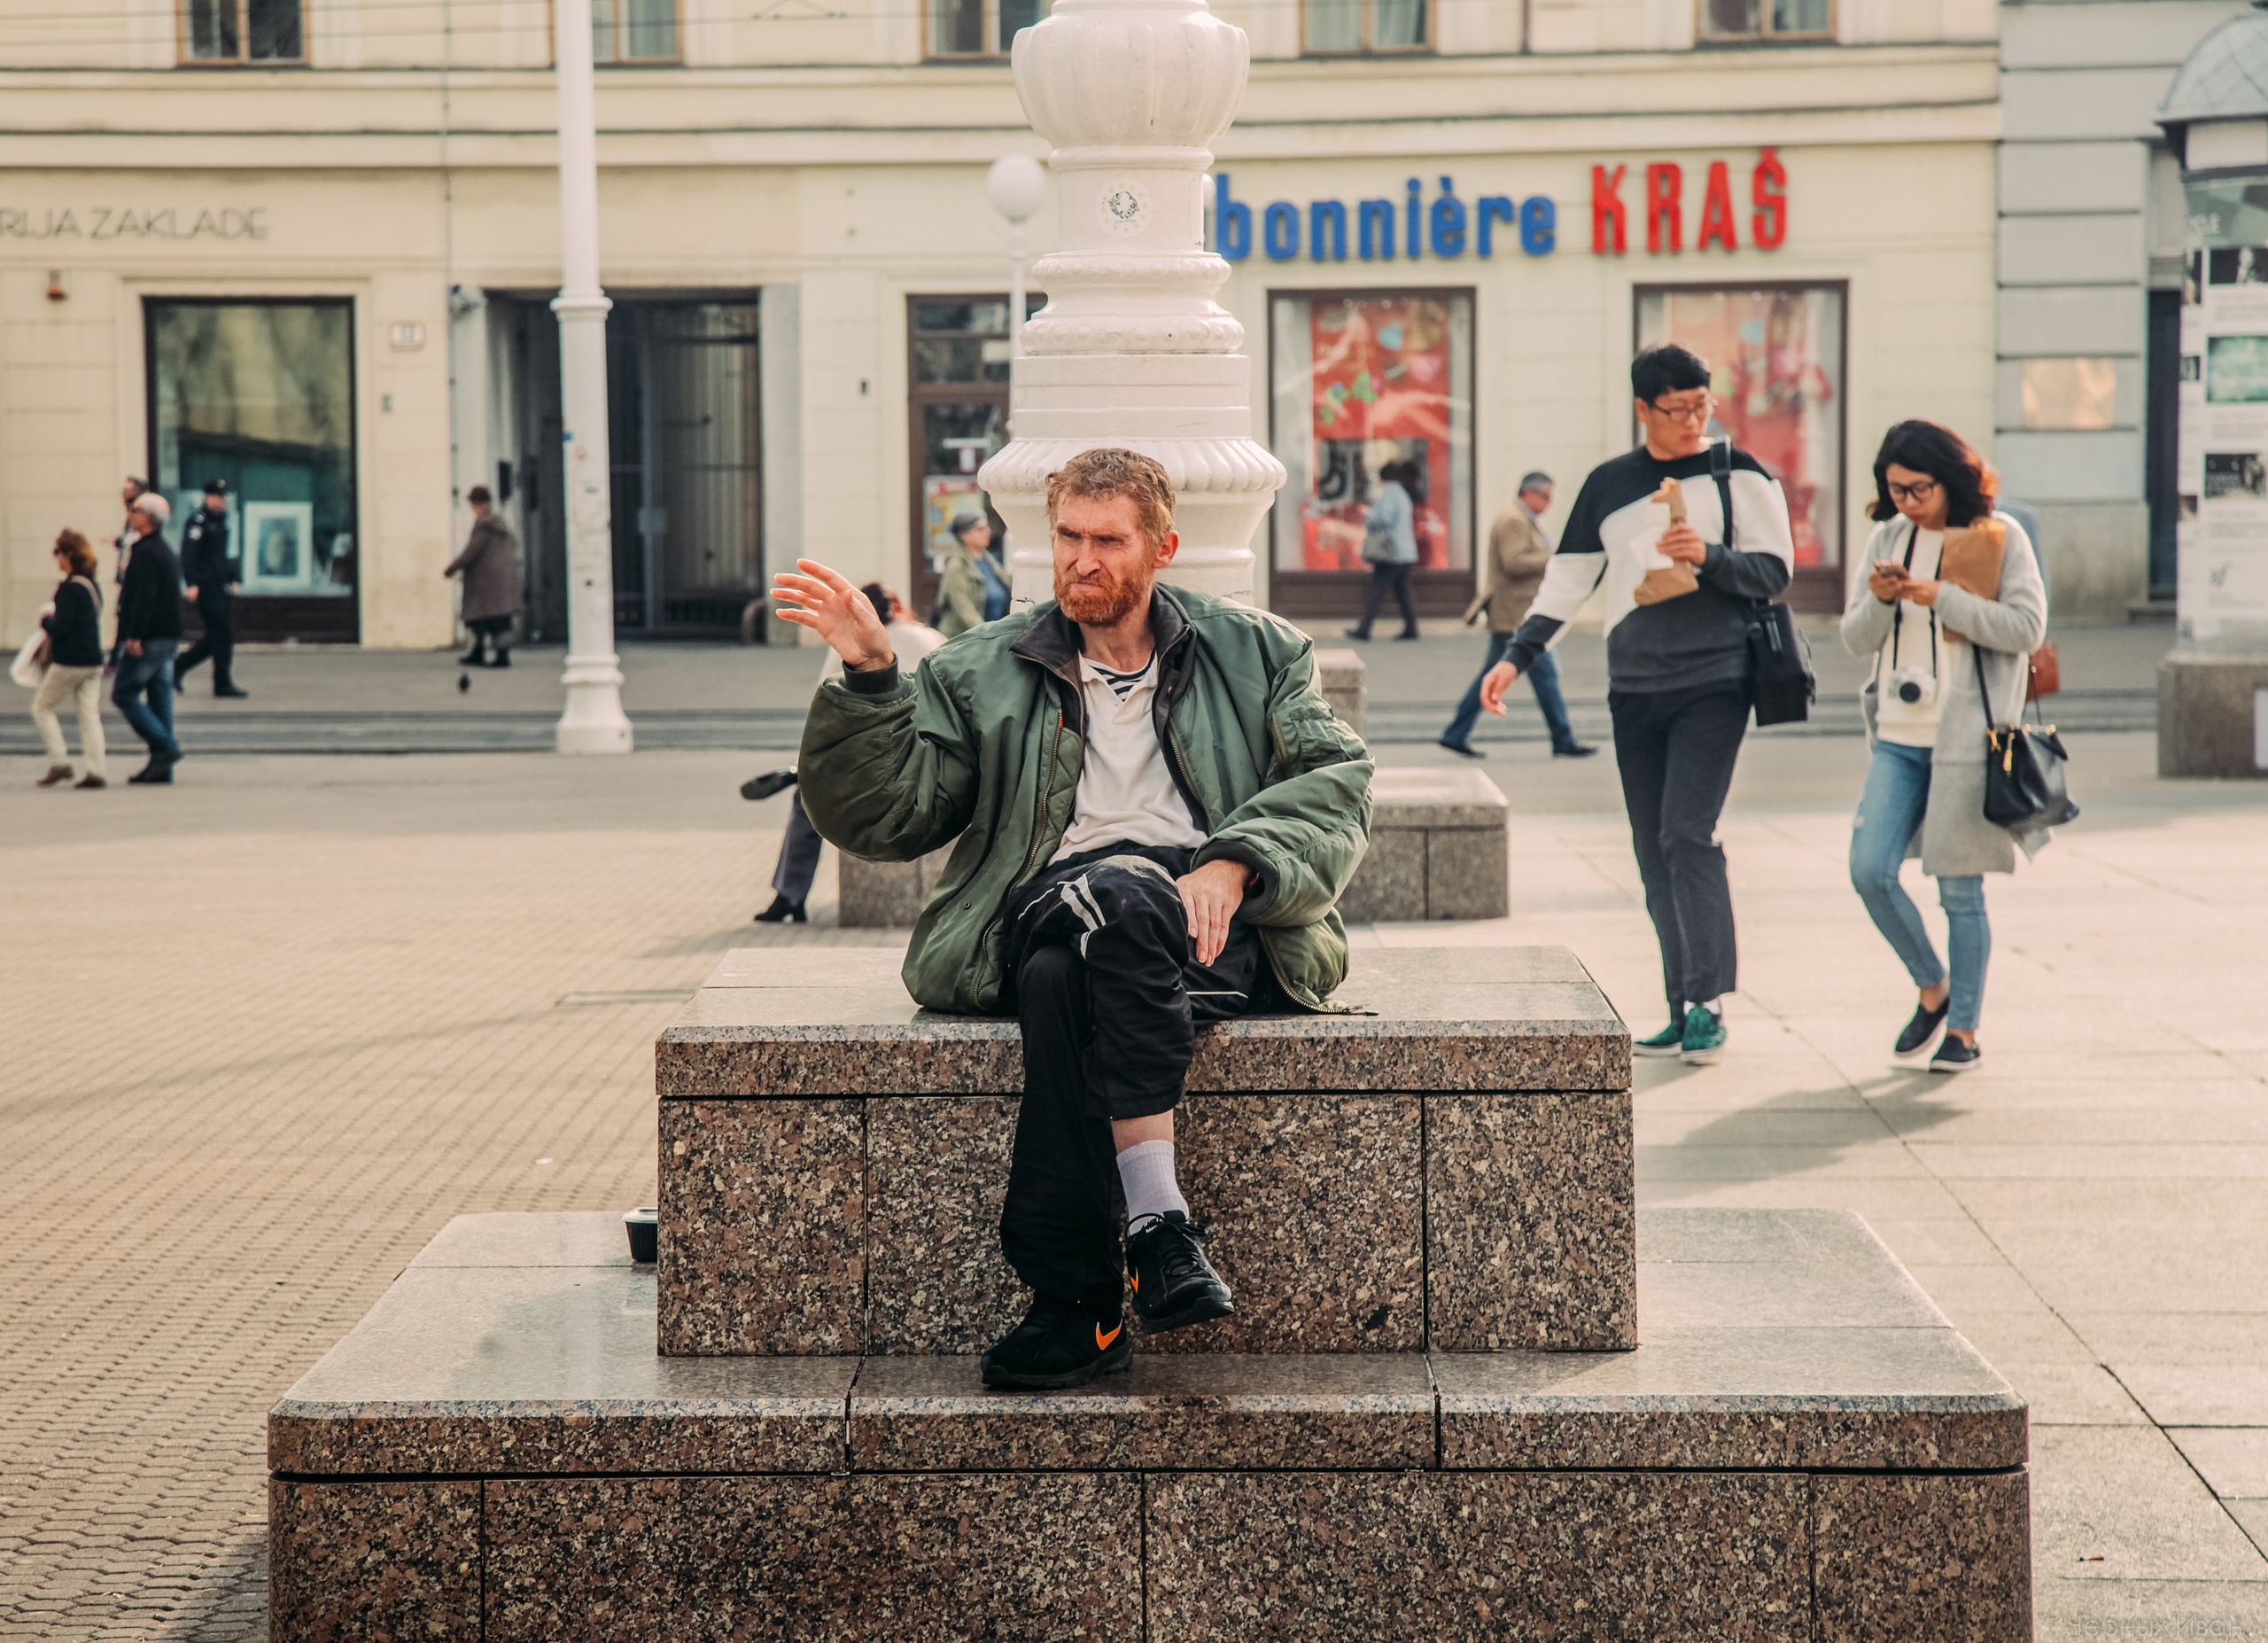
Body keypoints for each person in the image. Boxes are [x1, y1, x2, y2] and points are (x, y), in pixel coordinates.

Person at [778, 448, 1371, 1391]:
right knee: (1117, 893)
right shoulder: (981, 668)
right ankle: (1159, 1226)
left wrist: (1233, 861)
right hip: (1051, 895)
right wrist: (871, 677)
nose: (1081, 561)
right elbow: (885, 820)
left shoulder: (1260, 652)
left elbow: (1335, 784)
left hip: (1212, 927)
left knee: (1069, 974)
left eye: (1106, 541)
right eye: (1066, 538)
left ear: (1161, 547)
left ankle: (1080, 1304)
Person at [1479, 344, 1796, 1064]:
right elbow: (1566, 584)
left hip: (1717, 680)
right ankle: (1680, 1004)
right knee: (1653, 850)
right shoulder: (1608, 485)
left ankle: (1710, 1002)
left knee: (1689, 834)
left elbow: (1775, 571)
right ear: (1643, 409)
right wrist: (1515, 660)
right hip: (1636, 688)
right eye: (1677, 409)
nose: (1692, 420)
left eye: (1702, 406)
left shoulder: (1738, 474)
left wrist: (1709, 556)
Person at [1842, 422, 2047, 1074]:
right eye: (1894, 489)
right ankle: (1932, 985)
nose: (1906, 502)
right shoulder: (1888, 537)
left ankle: (1964, 1027)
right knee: (1870, 870)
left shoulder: (1999, 538)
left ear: (1951, 478)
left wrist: (1944, 599)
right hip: (1899, 740)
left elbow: (2025, 628)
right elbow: (1854, 639)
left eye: (1917, 488)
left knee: (1960, 890)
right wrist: (1880, 602)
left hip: (1967, 742)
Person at [751, 582, 947, 923]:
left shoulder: (851, 640)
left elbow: (827, 705)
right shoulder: (928, 637)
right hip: (929, 754)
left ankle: (789, 895)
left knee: (807, 799)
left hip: (870, 759)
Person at [1441, 471, 1595, 759]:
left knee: (1491, 676)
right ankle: (1563, 739)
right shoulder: (1513, 519)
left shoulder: (1520, 518)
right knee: (1545, 675)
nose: (1548, 503)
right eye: (1545, 497)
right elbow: (1514, 563)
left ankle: (1455, 733)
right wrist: (1554, 556)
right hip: (1517, 616)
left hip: (1513, 614)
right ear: (1529, 493)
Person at [113, 492, 185, 784]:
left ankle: (166, 748)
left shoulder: (145, 552)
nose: (130, 513)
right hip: (167, 636)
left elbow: (144, 598)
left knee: (124, 693)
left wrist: (135, 636)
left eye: (136, 509)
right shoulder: (162, 550)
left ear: (149, 518)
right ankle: (161, 766)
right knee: (159, 697)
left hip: (151, 637)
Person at [29, 529, 108, 790]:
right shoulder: (91, 585)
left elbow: (62, 628)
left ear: (67, 555)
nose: (56, 559)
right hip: (93, 660)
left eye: (58, 553)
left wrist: (45, 621)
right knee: (89, 715)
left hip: (70, 661)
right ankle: (97, 770)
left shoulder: (68, 589)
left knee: (42, 707)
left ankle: (59, 762)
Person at [175, 479, 246, 698]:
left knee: (217, 637)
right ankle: (222, 684)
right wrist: (192, 583)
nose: (222, 501)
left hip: (220, 585)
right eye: (218, 496)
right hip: (206, 586)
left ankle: (178, 666)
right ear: (208, 497)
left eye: (223, 497)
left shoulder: (222, 520)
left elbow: (224, 555)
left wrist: (233, 577)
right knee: (221, 635)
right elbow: (189, 555)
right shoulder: (198, 521)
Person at [444, 486, 523, 666]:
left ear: (476, 504)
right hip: (500, 582)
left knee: (480, 619)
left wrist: (452, 568)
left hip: (486, 584)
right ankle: (493, 653)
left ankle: (486, 654)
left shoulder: (483, 524)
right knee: (498, 620)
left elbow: (472, 551)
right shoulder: (499, 523)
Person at [1344, 458, 1420, 642]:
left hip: (1390, 552)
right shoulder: (1402, 494)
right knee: (1403, 592)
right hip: (1405, 551)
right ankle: (1411, 628)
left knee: (1377, 591)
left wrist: (1368, 518)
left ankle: (1364, 629)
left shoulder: (1389, 494)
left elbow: (1383, 518)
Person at [933, 511, 1011, 638]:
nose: (987, 532)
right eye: (980, 529)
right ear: (965, 535)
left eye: (987, 527)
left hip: (992, 637)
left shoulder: (989, 561)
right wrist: (987, 635)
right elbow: (964, 609)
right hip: (965, 640)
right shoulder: (956, 565)